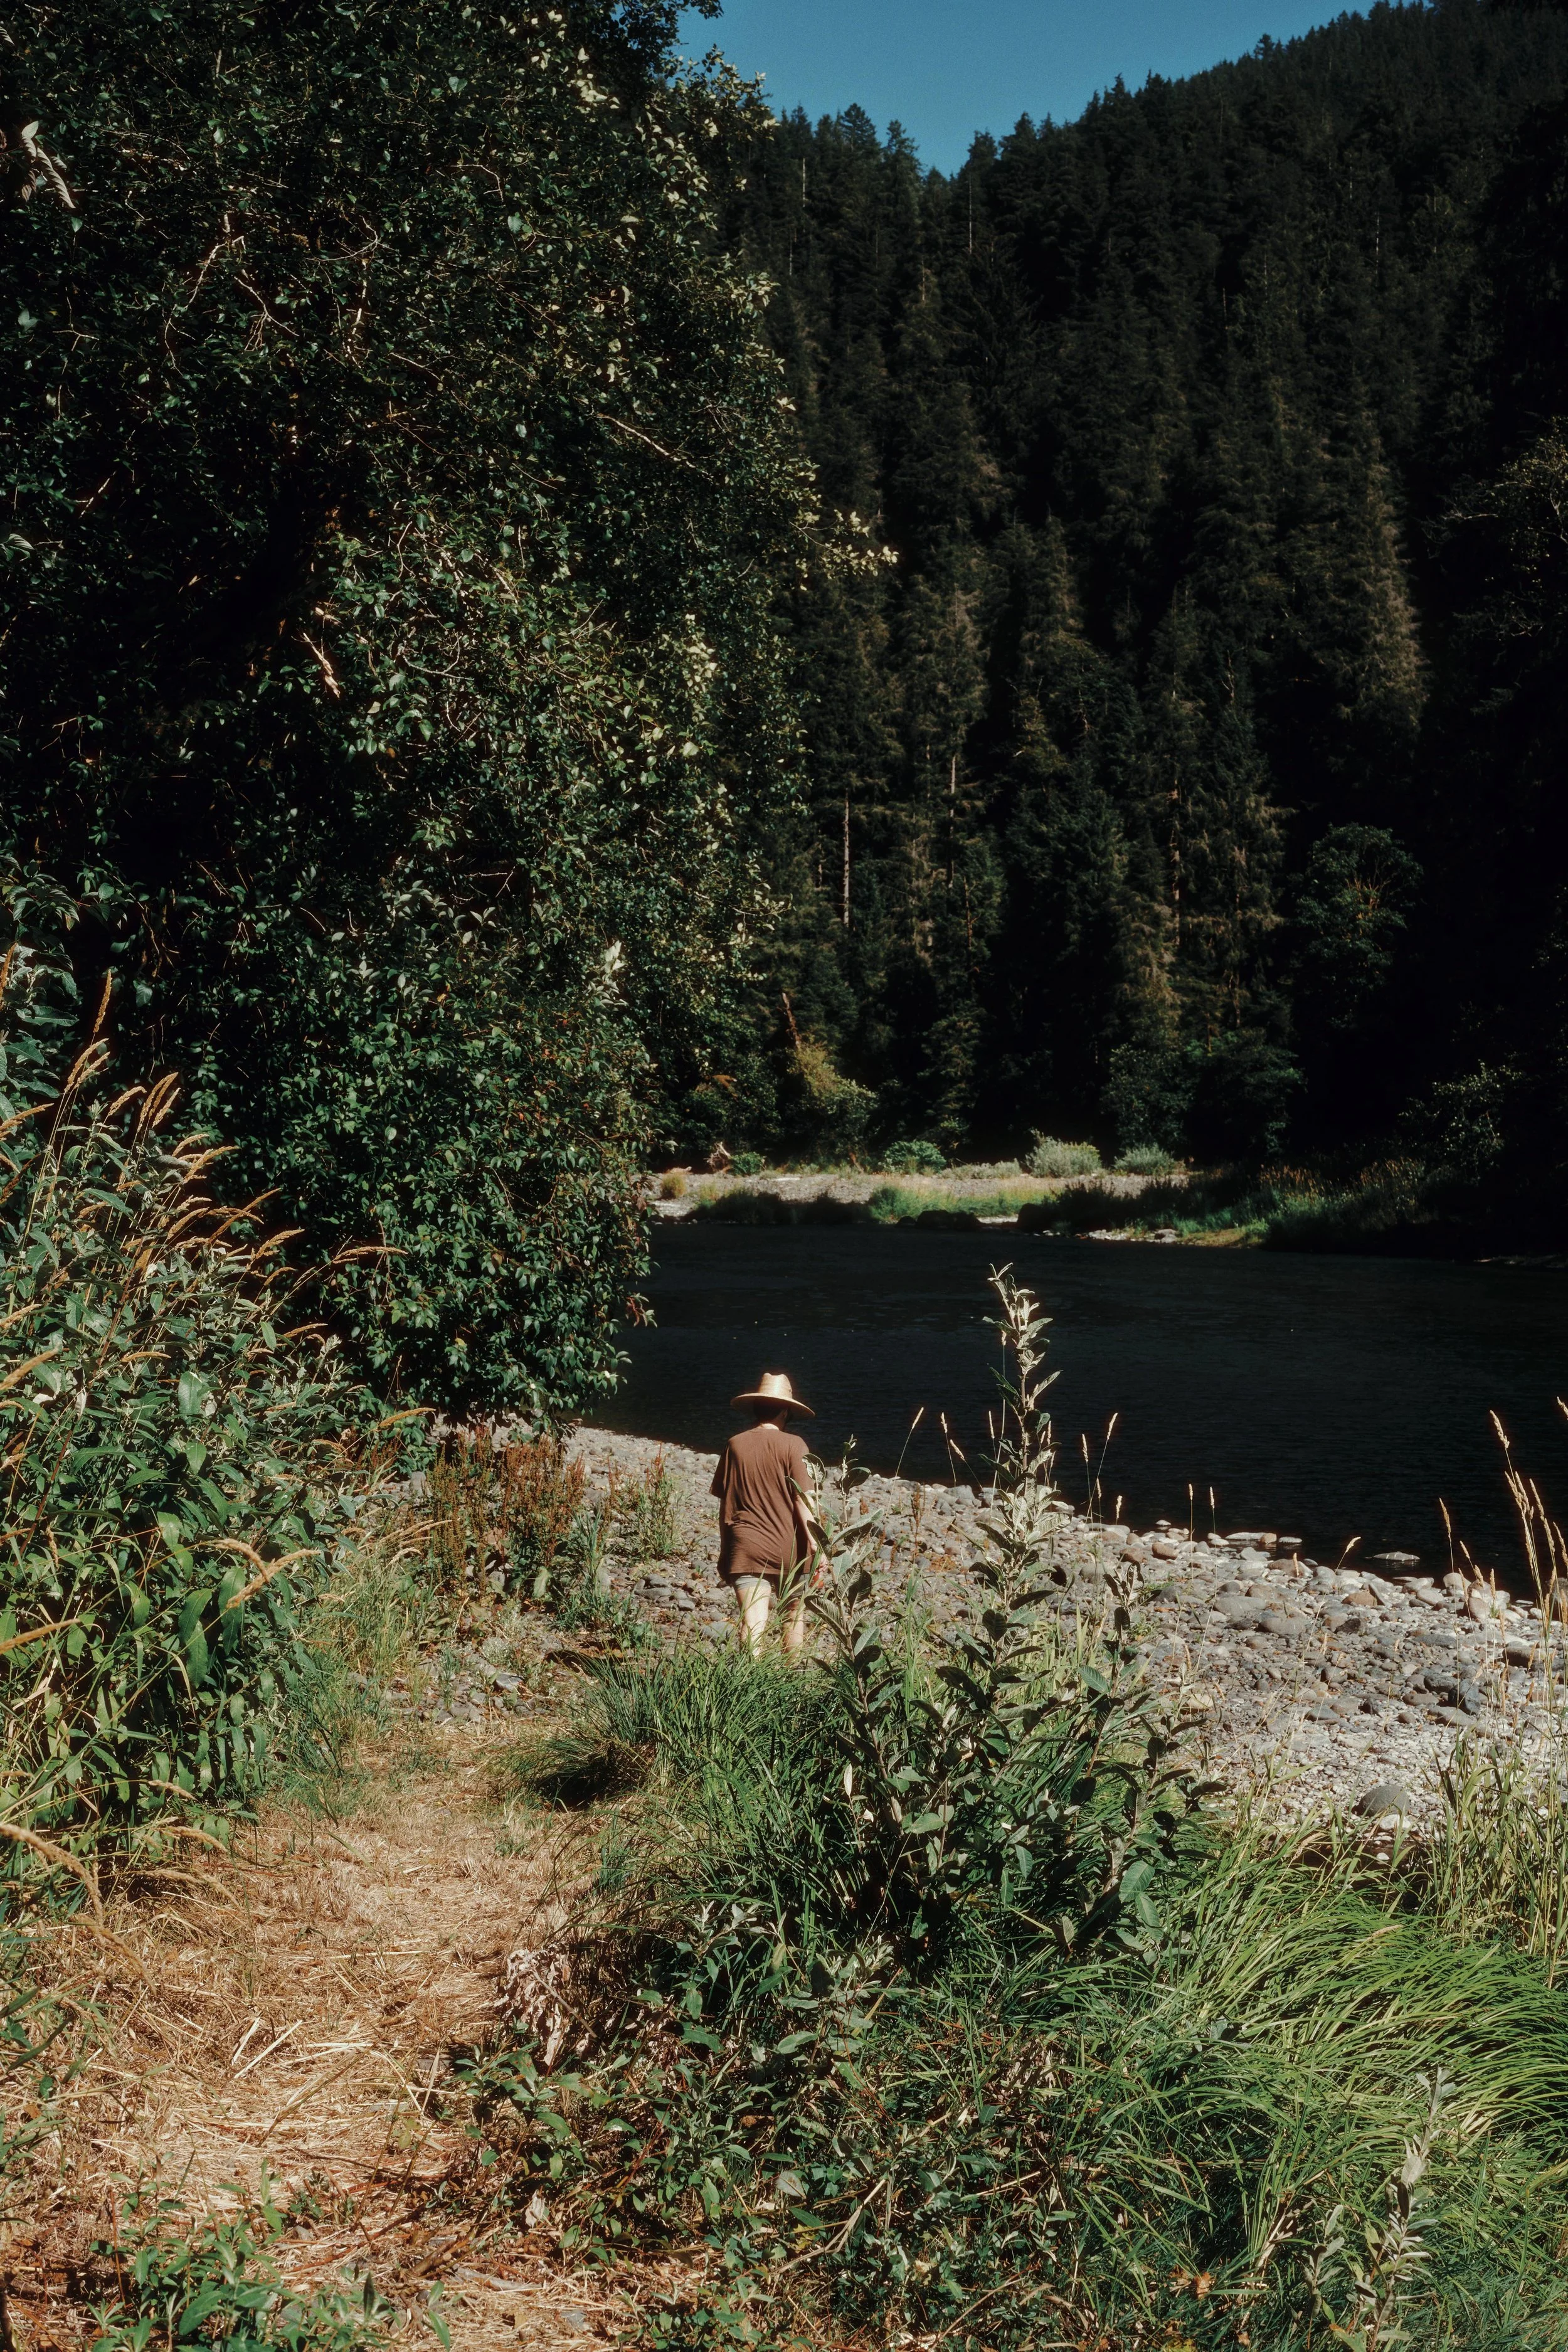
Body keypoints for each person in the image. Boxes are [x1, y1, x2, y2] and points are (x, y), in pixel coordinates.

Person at [711, 1372, 819, 1655]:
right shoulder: (795, 1445)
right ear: (786, 1410)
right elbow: (802, 1499)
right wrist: (817, 1544)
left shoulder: (735, 1444)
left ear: (756, 1407)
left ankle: (749, 1688)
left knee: (752, 1625)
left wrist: (726, 1550)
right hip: (791, 1548)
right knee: (793, 1619)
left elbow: (726, 1504)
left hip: (746, 1545)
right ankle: (791, 1685)